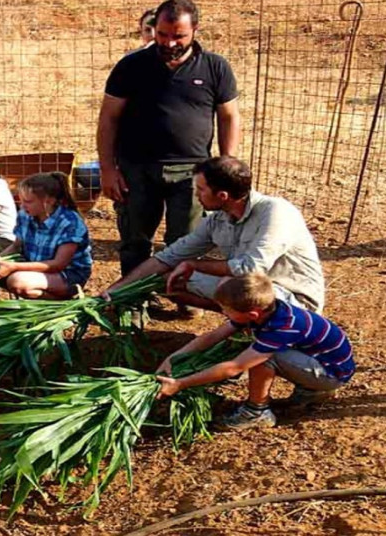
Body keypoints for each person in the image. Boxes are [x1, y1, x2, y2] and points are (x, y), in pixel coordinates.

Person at [97, 0, 241, 277]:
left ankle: (183, 295)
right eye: (162, 34)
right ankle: (133, 301)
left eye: (179, 36)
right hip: (136, 169)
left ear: (195, 30)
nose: (169, 42)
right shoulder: (131, 66)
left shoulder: (215, 67)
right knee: (135, 242)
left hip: (192, 172)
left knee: (187, 242)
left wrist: (225, 163)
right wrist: (108, 168)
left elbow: (229, 117)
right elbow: (108, 118)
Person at [101, 156, 325, 314]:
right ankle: (243, 325)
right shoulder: (218, 219)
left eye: (201, 189)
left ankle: (264, 334)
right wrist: (115, 290)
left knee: (236, 287)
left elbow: (251, 269)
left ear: (223, 195)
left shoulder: (275, 211)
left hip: (294, 301)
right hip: (253, 290)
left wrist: (194, 265)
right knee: (168, 279)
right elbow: (167, 257)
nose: (196, 195)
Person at [154, 273, 355, 430]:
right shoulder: (267, 311)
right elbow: (211, 337)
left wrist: (180, 384)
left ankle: (256, 412)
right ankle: (312, 390)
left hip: (331, 373)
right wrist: (173, 358)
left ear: (252, 314)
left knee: (262, 357)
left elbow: (235, 368)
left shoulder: (282, 326)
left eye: (227, 310)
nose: (224, 313)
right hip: (319, 362)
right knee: (259, 351)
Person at [0, 172, 93, 299]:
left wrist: (14, 266)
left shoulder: (70, 222)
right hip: (36, 267)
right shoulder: (25, 215)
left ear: (49, 201)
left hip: (67, 274)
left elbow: (58, 264)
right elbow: (17, 245)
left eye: (28, 201)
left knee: (17, 282)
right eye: (21, 201)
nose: (22, 206)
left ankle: (61, 303)